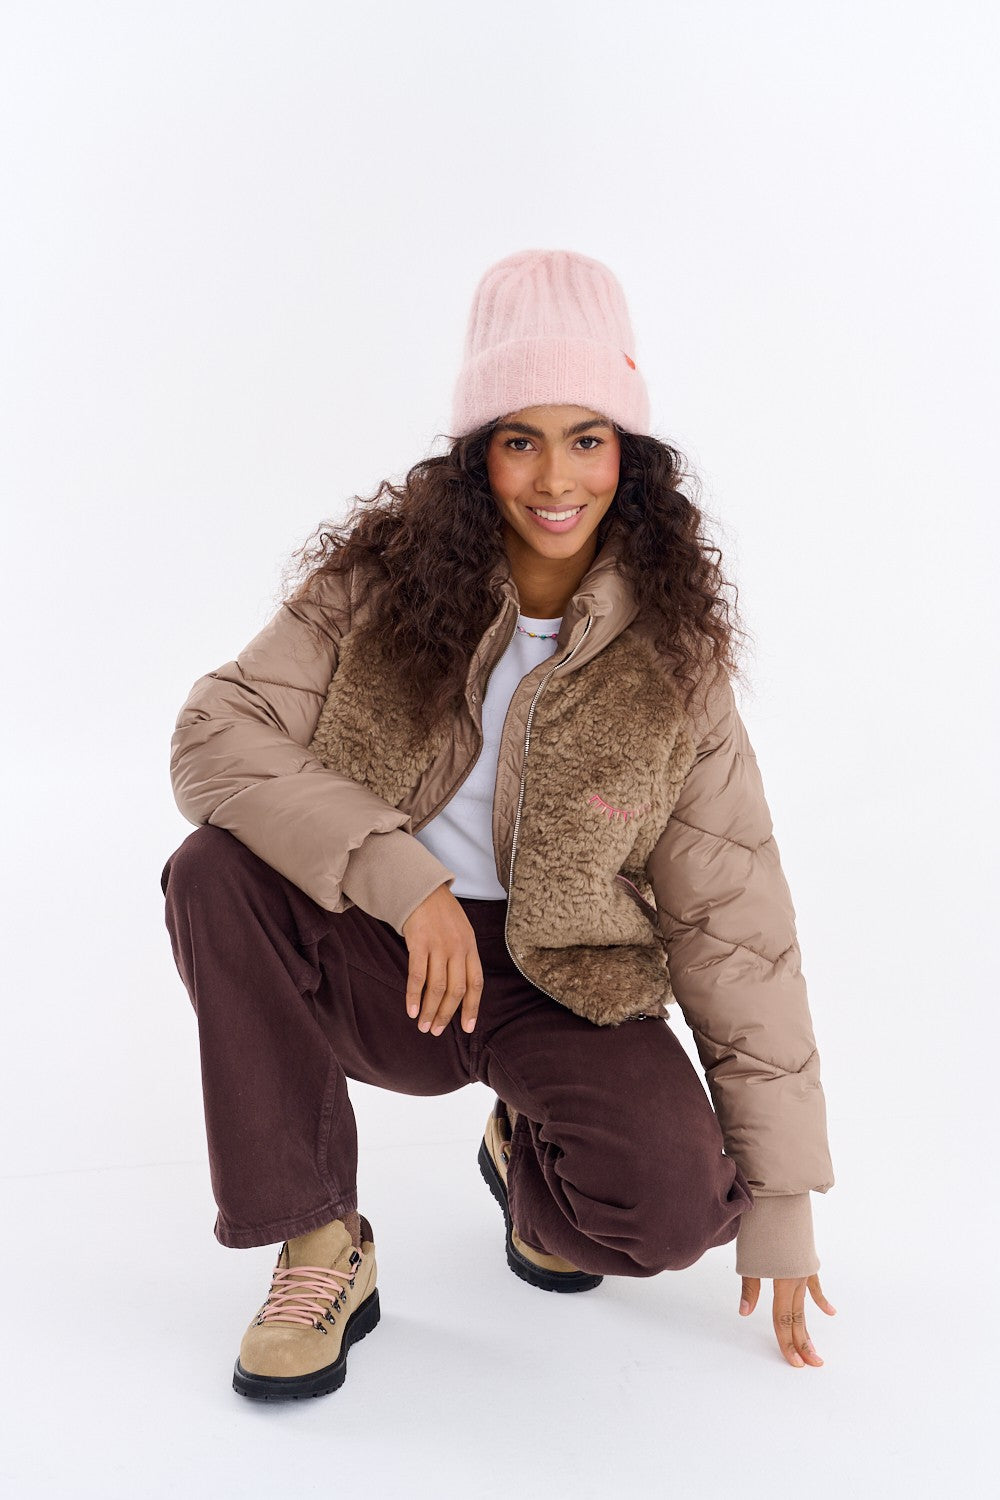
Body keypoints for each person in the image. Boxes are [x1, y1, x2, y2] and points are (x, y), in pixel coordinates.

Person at [161, 247, 836, 1400]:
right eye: (521, 440)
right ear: (479, 454)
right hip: (386, 956)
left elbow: (735, 922)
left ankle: (528, 1148)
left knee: (673, 1214)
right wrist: (399, 874)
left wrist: (779, 1200)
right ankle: (319, 1243)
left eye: (587, 439)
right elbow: (214, 732)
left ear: (628, 455)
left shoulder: (672, 657)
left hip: (563, 984)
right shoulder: (379, 581)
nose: (554, 477)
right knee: (214, 871)